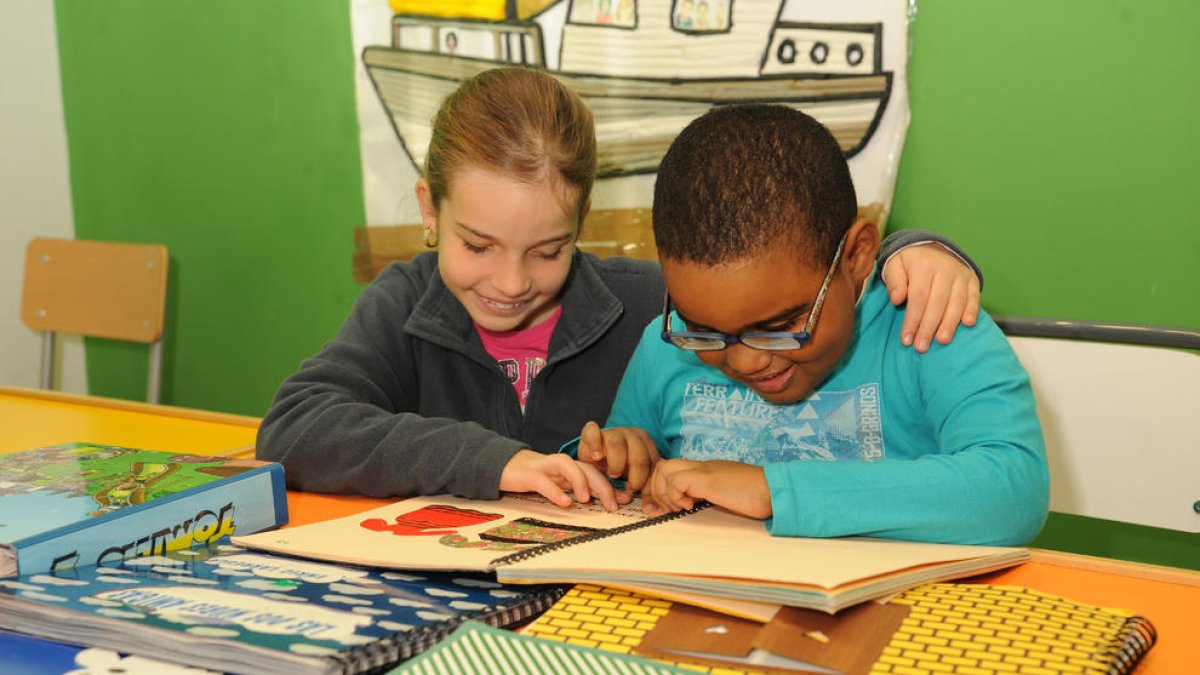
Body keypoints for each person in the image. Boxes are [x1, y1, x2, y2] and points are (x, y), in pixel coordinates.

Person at [256, 68, 988, 514]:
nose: (510, 284)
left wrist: (913, 250)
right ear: (427, 210)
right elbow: (295, 426)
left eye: (548, 250)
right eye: (477, 245)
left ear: (583, 225)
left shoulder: (651, 308)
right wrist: (493, 462)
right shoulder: (407, 302)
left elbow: (769, 277)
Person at [577, 104, 1047, 545]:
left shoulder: (929, 324)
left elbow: (1013, 491)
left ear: (858, 256)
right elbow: (630, 475)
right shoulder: (666, 346)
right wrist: (623, 457)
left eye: (782, 323)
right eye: (703, 328)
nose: (744, 359)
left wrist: (772, 490)